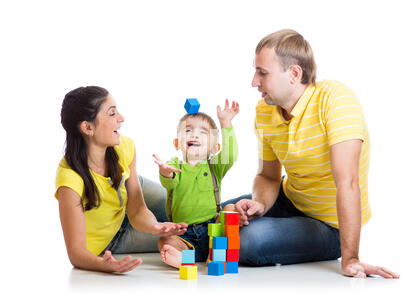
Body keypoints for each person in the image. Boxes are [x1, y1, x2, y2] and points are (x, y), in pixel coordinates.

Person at [225, 29, 399, 278]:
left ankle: (185, 239)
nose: (254, 81)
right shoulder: (265, 111)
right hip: (288, 200)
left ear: (294, 74)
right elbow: (269, 177)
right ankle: (170, 237)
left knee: (249, 240)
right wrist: (260, 204)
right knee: (217, 213)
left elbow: (347, 182)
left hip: (328, 225)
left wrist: (351, 258)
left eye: (262, 72)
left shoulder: (336, 100)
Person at [55, 86, 187, 273]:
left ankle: (233, 210)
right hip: (114, 238)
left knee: (189, 208)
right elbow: (75, 253)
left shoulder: (124, 146)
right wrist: (105, 265)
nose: (121, 118)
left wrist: (154, 226)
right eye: (112, 113)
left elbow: (137, 210)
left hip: (126, 200)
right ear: (87, 127)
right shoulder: (69, 180)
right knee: (184, 235)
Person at [152, 100, 239, 268]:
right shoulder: (175, 165)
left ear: (215, 148)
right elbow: (169, 183)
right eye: (188, 130)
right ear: (177, 143)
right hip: (184, 234)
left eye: (203, 132)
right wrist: (165, 171)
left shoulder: (215, 167)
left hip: (212, 232)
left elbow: (231, 154)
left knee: (230, 210)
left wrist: (226, 123)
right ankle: (183, 259)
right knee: (164, 241)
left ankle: (216, 255)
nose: (194, 135)